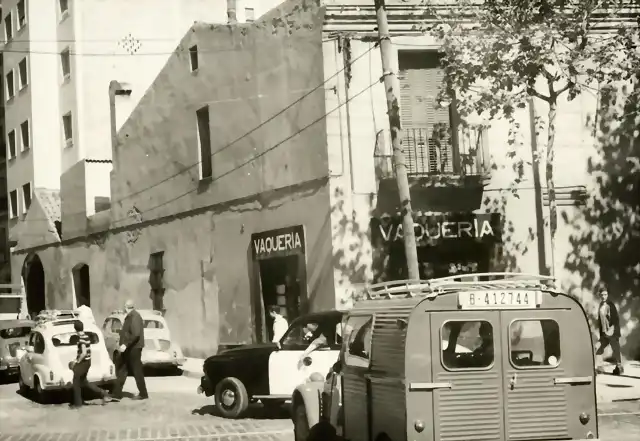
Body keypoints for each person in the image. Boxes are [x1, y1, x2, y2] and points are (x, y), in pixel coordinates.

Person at [110, 299, 149, 400]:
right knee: (123, 370)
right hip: (129, 348)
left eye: (124, 306)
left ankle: (143, 394)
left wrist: (126, 344)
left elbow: (135, 334)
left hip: (134, 348)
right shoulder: (131, 316)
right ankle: (117, 393)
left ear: (127, 307)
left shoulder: (135, 317)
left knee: (137, 371)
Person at [70, 320, 111, 408]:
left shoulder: (81, 339)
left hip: (83, 363)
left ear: (75, 329)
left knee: (76, 382)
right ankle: (103, 393)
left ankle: (78, 404)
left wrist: (77, 361)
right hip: (88, 362)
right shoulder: (86, 337)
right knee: (84, 382)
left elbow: (83, 353)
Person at [595, 288, 624, 375]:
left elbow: (615, 320)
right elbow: (600, 320)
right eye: (602, 295)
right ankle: (600, 367)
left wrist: (612, 332)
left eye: (605, 295)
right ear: (599, 295)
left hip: (612, 332)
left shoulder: (611, 305)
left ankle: (619, 368)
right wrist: (602, 333)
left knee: (615, 350)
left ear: (608, 295)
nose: (604, 296)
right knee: (598, 347)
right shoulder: (600, 305)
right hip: (604, 333)